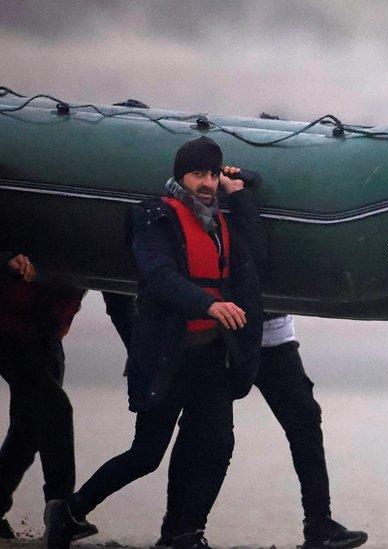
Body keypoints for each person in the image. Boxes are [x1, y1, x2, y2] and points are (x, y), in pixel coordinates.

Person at [43, 136, 265, 549]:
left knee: (217, 446)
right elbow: (159, 276)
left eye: (213, 174)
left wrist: (243, 193)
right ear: (181, 175)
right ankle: (70, 511)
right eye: (199, 173)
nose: (207, 182)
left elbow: (258, 254)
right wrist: (209, 306)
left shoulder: (224, 221)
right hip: (168, 355)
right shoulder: (154, 216)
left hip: (213, 357)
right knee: (147, 453)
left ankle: (187, 532)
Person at [154, 312, 368, 549]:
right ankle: (178, 529)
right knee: (200, 430)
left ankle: (319, 525)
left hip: (274, 337)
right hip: (221, 339)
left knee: (305, 419)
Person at [0, 253, 89, 541]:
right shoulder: (21, 213)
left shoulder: (91, 241)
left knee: (29, 429)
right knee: (56, 410)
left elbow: (119, 301)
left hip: (46, 336)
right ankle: (62, 510)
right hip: (8, 330)